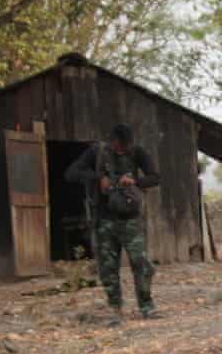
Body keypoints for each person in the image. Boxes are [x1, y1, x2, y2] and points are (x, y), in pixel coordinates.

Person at [65, 123, 161, 324]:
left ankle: (147, 306)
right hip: (104, 220)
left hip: (130, 219)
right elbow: (71, 173)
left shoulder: (137, 152)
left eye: (126, 147)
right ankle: (116, 310)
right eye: (119, 146)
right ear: (112, 141)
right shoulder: (97, 152)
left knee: (141, 263)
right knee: (108, 269)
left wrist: (134, 181)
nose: (122, 150)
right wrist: (97, 179)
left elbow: (155, 178)